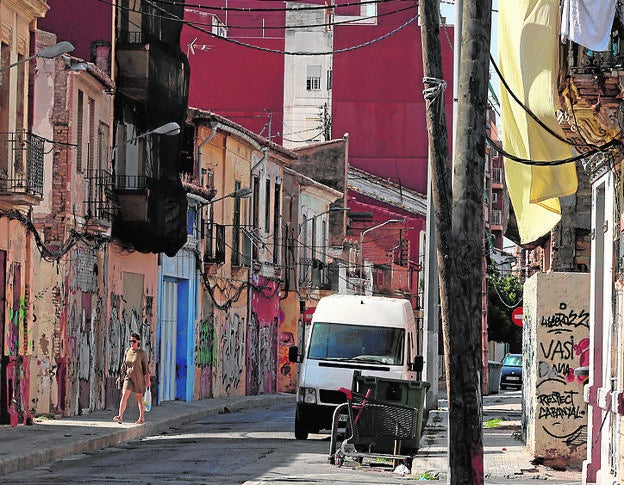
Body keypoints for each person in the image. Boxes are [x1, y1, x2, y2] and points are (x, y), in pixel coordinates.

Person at [113, 333, 151, 425]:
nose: (132, 343)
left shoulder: (141, 353)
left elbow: (146, 369)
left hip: (138, 378)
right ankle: (120, 416)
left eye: (133, 341)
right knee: (125, 394)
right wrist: (120, 377)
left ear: (138, 342)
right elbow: (124, 365)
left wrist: (148, 380)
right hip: (128, 377)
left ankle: (141, 417)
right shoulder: (127, 351)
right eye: (130, 341)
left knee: (139, 398)